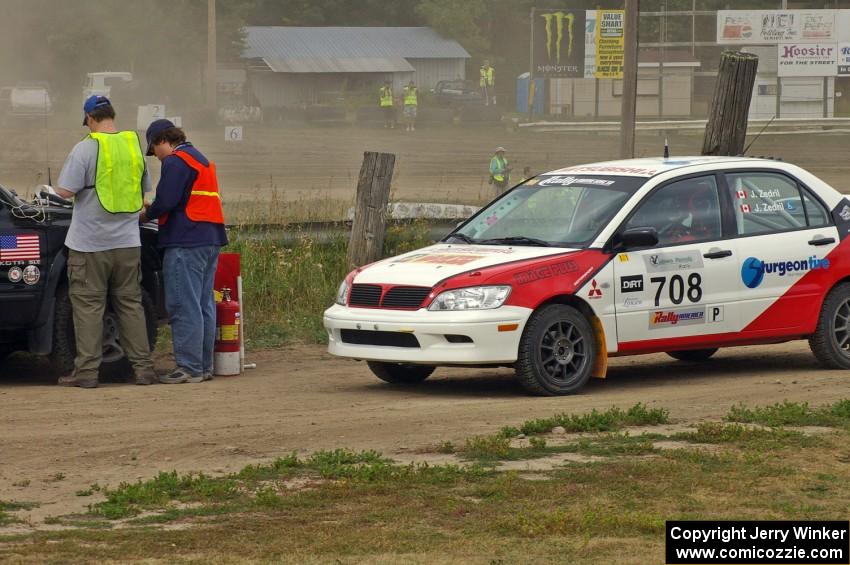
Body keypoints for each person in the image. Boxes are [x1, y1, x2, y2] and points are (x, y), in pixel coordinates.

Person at [54, 95, 158, 388]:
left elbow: (63, 191)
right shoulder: (132, 146)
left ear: (89, 119)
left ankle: (87, 374)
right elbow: (143, 194)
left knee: (88, 307)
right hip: (128, 243)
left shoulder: (85, 148)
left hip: (89, 245)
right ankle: (144, 369)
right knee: (130, 304)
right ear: (112, 114)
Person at [141, 119, 228, 384]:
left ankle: (189, 367)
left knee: (182, 304)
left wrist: (145, 213)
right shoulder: (199, 158)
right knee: (203, 305)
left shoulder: (176, 162)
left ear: (161, 141)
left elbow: (167, 201)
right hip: (209, 239)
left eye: (154, 150)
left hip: (185, 240)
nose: (155, 156)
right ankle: (203, 366)